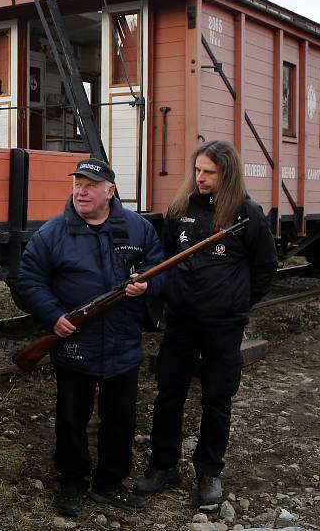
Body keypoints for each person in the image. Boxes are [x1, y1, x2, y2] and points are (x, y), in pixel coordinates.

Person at [17, 158, 166, 517]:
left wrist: (147, 284)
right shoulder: (52, 233)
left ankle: (110, 483)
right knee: (71, 419)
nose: (81, 192)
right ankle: (71, 482)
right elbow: (28, 280)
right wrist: (53, 316)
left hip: (123, 344)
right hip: (74, 345)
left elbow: (162, 269)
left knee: (121, 420)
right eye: (77, 185)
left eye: (90, 185)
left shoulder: (138, 228)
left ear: (109, 191)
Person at [134, 140, 277, 505]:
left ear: (226, 174)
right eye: (197, 170)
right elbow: (166, 255)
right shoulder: (180, 209)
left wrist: (236, 303)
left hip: (223, 326)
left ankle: (209, 471)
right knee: (169, 394)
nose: (200, 178)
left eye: (209, 172)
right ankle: (164, 465)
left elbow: (265, 269)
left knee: (217, 398)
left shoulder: (247, 214)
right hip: (181, 322)